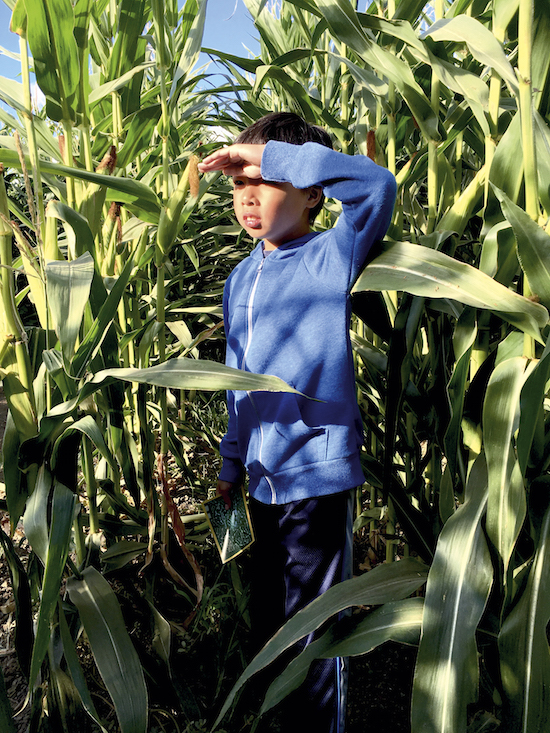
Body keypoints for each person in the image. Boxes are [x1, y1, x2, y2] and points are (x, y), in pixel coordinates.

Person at [198, 112, 397, 733]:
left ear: (311, 191)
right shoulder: (240, 279)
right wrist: (231, 462)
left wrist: (272, 157)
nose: (248, 195)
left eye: (264, 179)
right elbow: (238, 379)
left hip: (317, 480)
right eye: (238, 182)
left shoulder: (333, 254)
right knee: (272, 621)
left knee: (315, 631)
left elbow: (376, 186)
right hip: (261, 480)